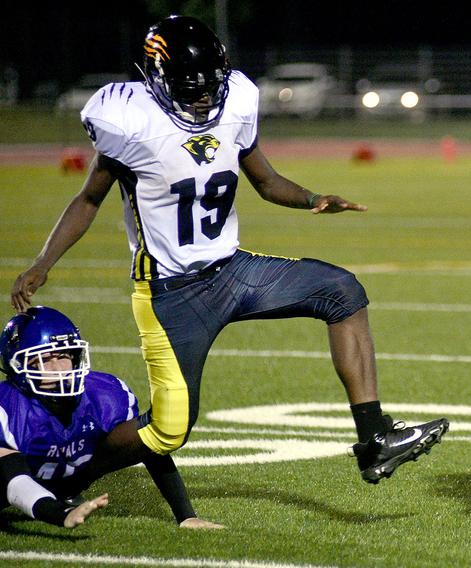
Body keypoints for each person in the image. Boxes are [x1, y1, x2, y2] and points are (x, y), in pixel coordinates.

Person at [10, 15, 447, 485]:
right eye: (189, 87)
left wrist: (312, 199)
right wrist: (42, 262)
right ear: (157, 80)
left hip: (231, 271)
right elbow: (89, 198)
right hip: (170, 292)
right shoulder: (127, 121)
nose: (203, 97)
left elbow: (265, 180)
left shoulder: (236, 101)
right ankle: (75, 475)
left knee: (342, 291)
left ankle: (374, 439)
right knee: (169, 429)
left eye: (210, 85)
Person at [0, 306, 222, 529]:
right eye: (44, 359)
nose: (59, 369)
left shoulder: (104, 394)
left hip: (70, 480)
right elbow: (15, 481)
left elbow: (147, 446)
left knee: (145, 432)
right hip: (7, 486)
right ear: (17, 366)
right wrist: (61, 514)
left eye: (64, 356)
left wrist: (186, 515)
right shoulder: (8, 407)